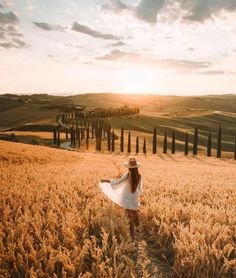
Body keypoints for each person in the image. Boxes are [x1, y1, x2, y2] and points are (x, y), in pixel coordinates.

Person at [100, 158, 143, 236]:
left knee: (129, 215)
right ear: (137, 167)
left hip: (127, 197)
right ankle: (138, 230)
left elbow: (117, 183)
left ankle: (132, 233)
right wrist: (136, 195)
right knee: (135, 213)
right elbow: (140, 189)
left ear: (129, 167)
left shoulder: (127, 175)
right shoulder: (139, 176)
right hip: (134, 197)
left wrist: (105, 180)